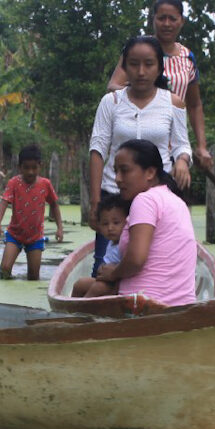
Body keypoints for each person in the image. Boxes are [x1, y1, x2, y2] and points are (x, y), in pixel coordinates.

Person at [89, 35, 192, 274]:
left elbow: (181, 145)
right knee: (103, 266)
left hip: (157, 198)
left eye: (149, 64)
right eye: (134, 64)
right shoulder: (111, 102)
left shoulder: (173, 103)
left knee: (154, 263)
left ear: (159, 68)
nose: (141, 71)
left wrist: (183, 162)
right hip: (115, 197)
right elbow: (97, 151)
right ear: (125, 68)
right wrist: (95, 203)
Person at [108, 0, 212, 169]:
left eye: (172, 18)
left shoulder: (187, 58)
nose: (167, 24)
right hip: (139, 142)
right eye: (161, 18)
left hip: (175, 150)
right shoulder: (137, 50)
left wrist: (201, 147)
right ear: (153, 19)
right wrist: (142, 94)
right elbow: (113, 86)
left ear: (181, 21)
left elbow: (194, 105)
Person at [95, 139, 197, 307]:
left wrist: (113, 273)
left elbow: (135, 260)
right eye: (116, 172)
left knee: (88, 287)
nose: (118, 179)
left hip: (142, 305)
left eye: (125, 171)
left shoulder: (145, 200)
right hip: (182, 305)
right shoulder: (177, 201)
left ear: (150, 172)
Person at [0, 144, 64, 280]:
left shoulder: (45, 184)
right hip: (15, 234)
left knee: (33, 276)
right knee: (4, 270)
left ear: (40, 166)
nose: (30, 172)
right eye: (26, 168)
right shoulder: (14, 183)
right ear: (20, 167)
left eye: (34, 168)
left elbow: (54, 204)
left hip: (35, 236)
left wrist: (60, 228)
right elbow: (4, 202)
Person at [71, 193, 129, 298]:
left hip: (119, 284)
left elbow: (128, 265)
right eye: (105, 224)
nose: (110, 228)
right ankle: (70, 309)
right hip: (106, 281)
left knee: (98, 287)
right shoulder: (111, 242)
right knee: (80, 284)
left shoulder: (125, 243)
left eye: (116, 223)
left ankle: (82, 308)